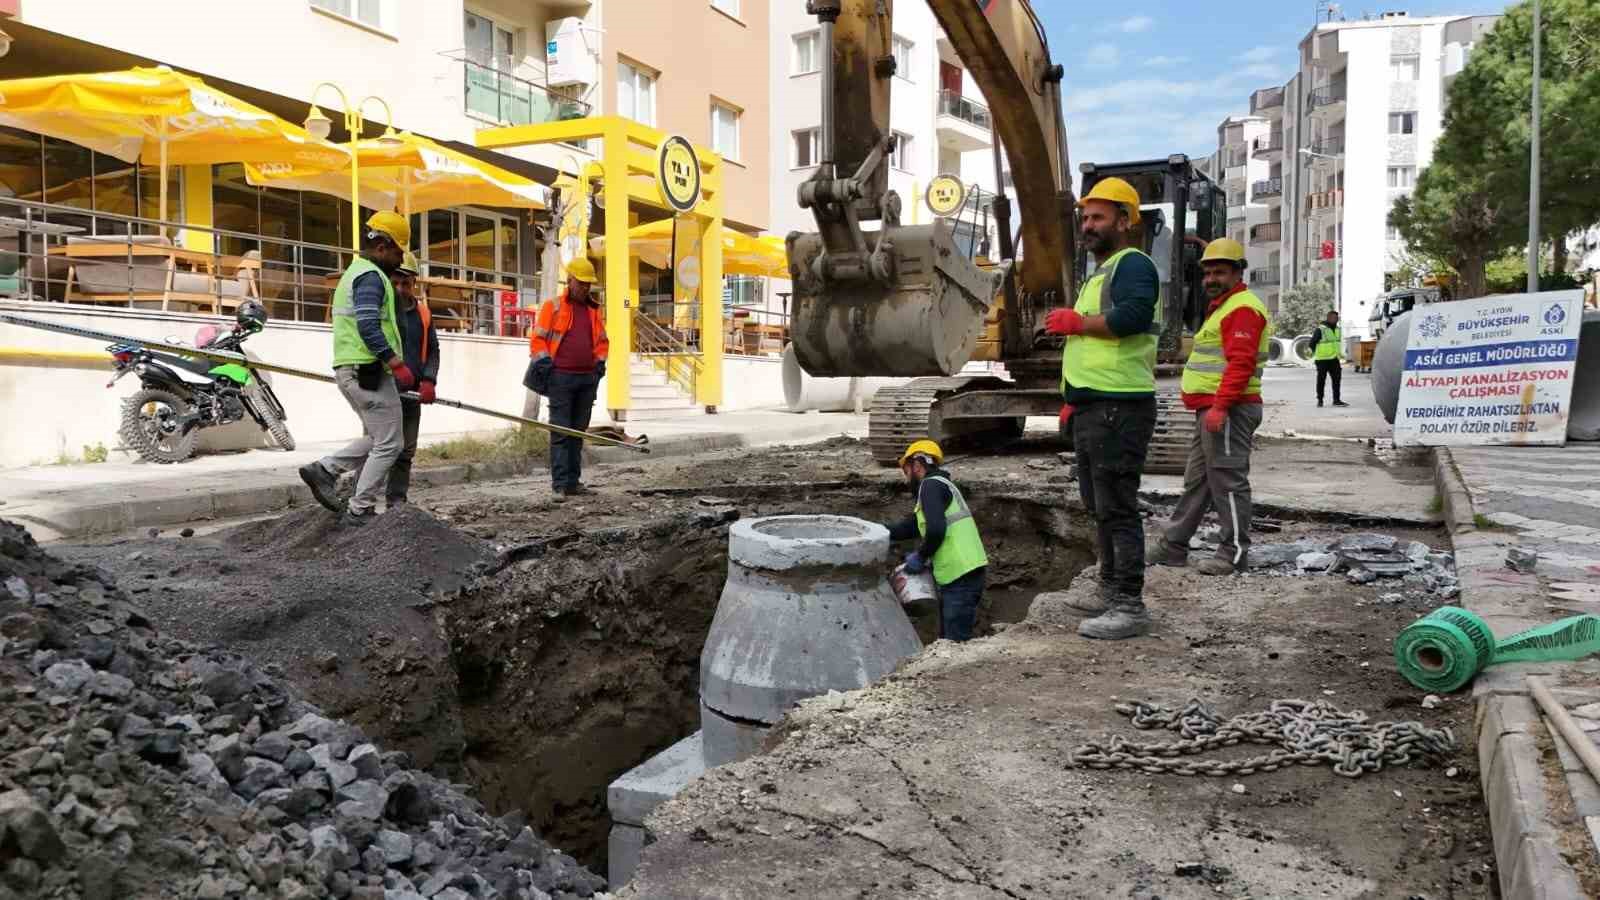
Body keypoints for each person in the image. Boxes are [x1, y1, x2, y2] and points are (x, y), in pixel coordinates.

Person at [1042, 176, 1161, 641]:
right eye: (1085, 218)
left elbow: (1132, 317)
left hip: (1119, 407)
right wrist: (1073, 401)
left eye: (1098, 217)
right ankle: (1110, 590)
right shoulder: (1100, 272)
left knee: (1117, 508)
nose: (1088, 225)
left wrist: (1078, 321)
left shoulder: (1133, 264)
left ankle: (1129, 605)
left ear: (1125, 220)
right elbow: (1088, 348)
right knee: (1098, 506)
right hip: (1096, 405)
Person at [1149, 239, 1271, 575]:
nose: (1210, 279)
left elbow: (1240, 364)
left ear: (1237, 272)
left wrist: (1220, 407)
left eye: (1219, 272)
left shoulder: (1242, 309)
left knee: (1229, 482)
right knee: (1199, 481)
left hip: (1229, 409)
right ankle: (1173, 546)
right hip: (1214, 409)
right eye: (1207, 273)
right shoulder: (1225, 306)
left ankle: (1233, 554)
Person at [299, 211, 412, 526]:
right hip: (368, 371)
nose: (400, 258)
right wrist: (396, 362)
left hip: (354, 371)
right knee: (391, 443)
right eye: (398, 251)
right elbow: (368, 325)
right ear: (382, 246)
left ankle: (325, 470)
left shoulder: (356, 273)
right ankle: (359, 507)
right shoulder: (370, 277)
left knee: (380, 438)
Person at [884, 440, 989, 642]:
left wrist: (921, 556)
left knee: (954, 643)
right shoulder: (940, 485)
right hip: (963, 573)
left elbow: (936, 529)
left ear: (916, 465)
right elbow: (912, 527)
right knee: (948, 641)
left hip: (960, 575)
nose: (907, 478)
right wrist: (879, 530)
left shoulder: (929, 485)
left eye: (906, 471)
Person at [528, 257, 608, 499]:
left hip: (586, 380)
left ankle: (573, 482)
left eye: (588, 284)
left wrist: (600, 363)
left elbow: (603, 342)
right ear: (570, 280)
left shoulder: (593, 310)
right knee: (561, 431)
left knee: (578, 432)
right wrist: (545, 363)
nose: (586, 288)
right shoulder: (553, 307)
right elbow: (538, 339)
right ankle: (561, 484)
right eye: (582, 283)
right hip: (561, 378)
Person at [386, 250, 440, 507]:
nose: (399, 288)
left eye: (405, 283)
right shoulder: (382, 310)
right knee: (381, 449)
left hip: (411, 392)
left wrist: (429, 379)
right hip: (383, 390)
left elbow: (432, 351)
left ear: (413, 284)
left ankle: (396, 502)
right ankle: (359, 502)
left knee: (406, 451)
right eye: (394, 282)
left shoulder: (424, 314)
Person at [1310, 310, 1348, 407]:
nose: (1335, 319)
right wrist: (1316, 353)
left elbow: (1336, 343)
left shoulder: (1337, 329)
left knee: (1337, 380)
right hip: (1322, 360)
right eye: (1333, 318)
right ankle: (1320, 400)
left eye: (1337, 318)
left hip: (1334, 359)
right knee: (1321, 380)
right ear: (1328, 318)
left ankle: (1336, 400)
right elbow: (1312, 343)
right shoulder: (1321, 329)